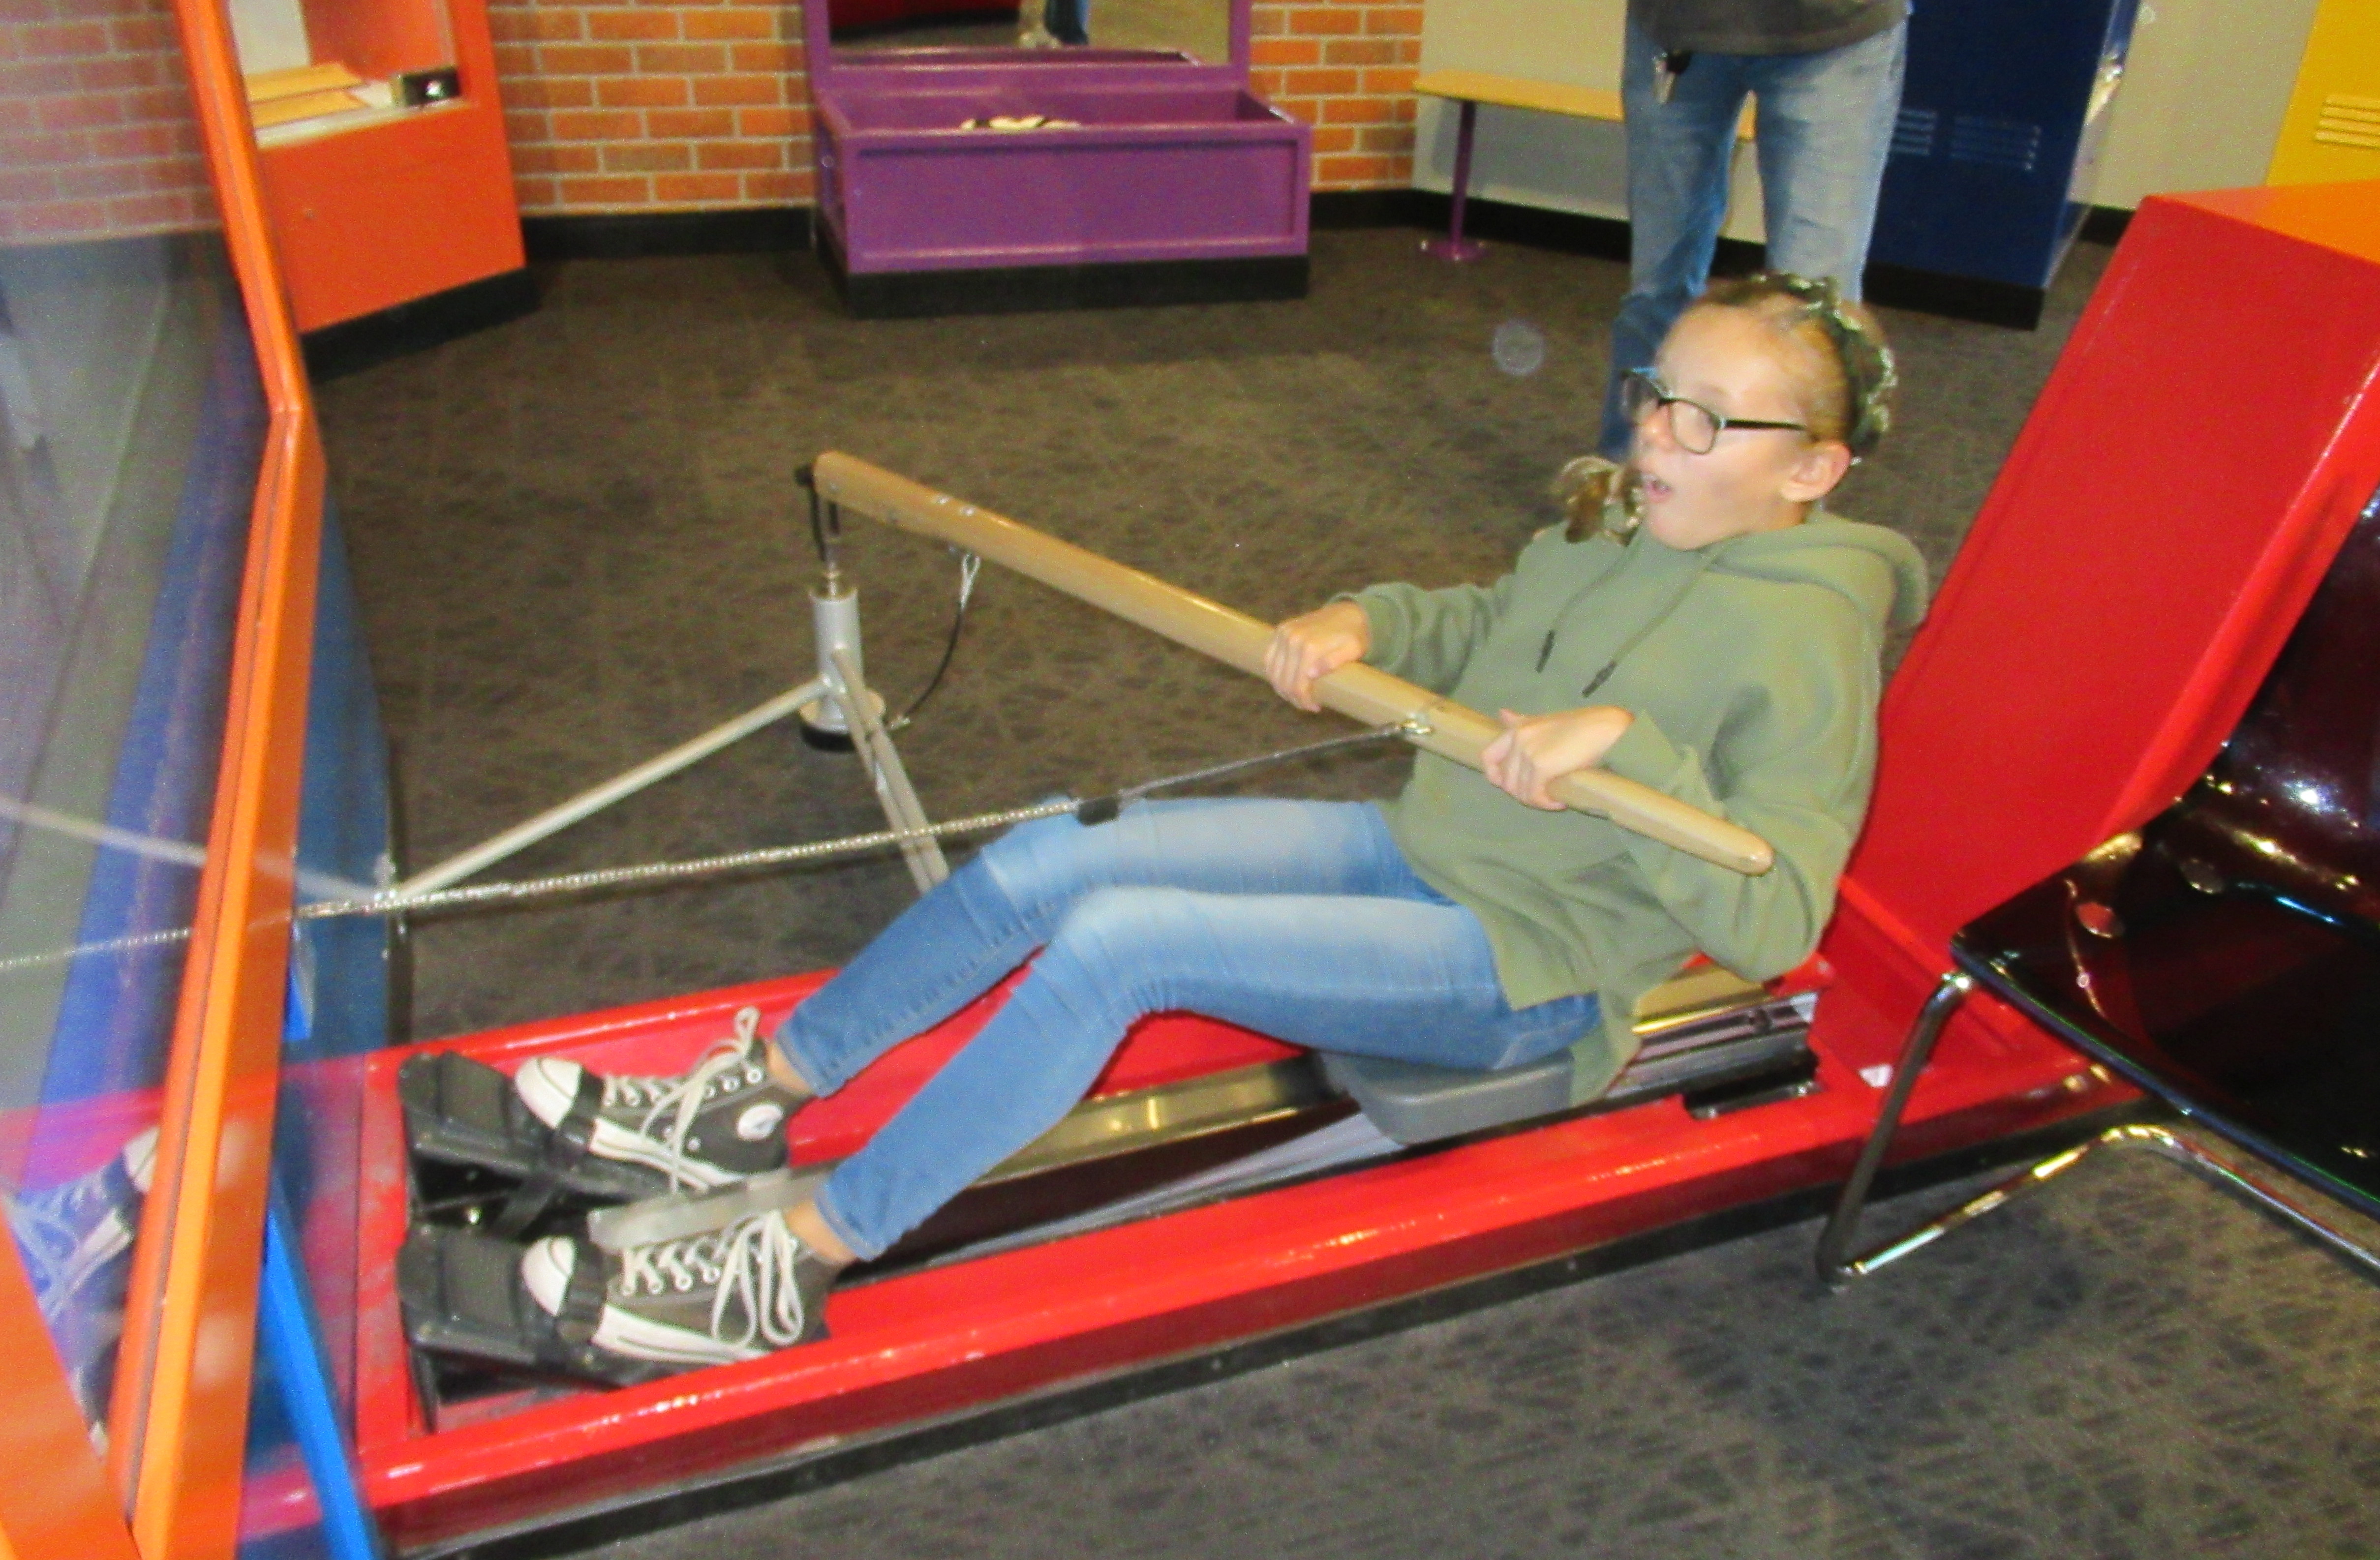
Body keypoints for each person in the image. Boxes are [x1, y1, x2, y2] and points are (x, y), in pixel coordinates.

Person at [508, 271, 1928, 1373]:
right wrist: (1368, 619)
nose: (1653, 434)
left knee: (1123, 944)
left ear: (1810, 470)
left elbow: (1775, 913)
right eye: (1652, 392)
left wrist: (1633, 750)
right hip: (1416, 846)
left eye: (1704, 419)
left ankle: (801, 1254)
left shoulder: (1807, 644)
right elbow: (1494, 620)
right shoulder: (1628, 519)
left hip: (1530, 967)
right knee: (1060, 847)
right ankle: (757, 1092)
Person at [1596, 0, 1908, 459]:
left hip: (1837, 30)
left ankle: (1791, 496)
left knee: (1817, 322)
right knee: (1657, 296)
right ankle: (1634, 482)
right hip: (1679, 26)